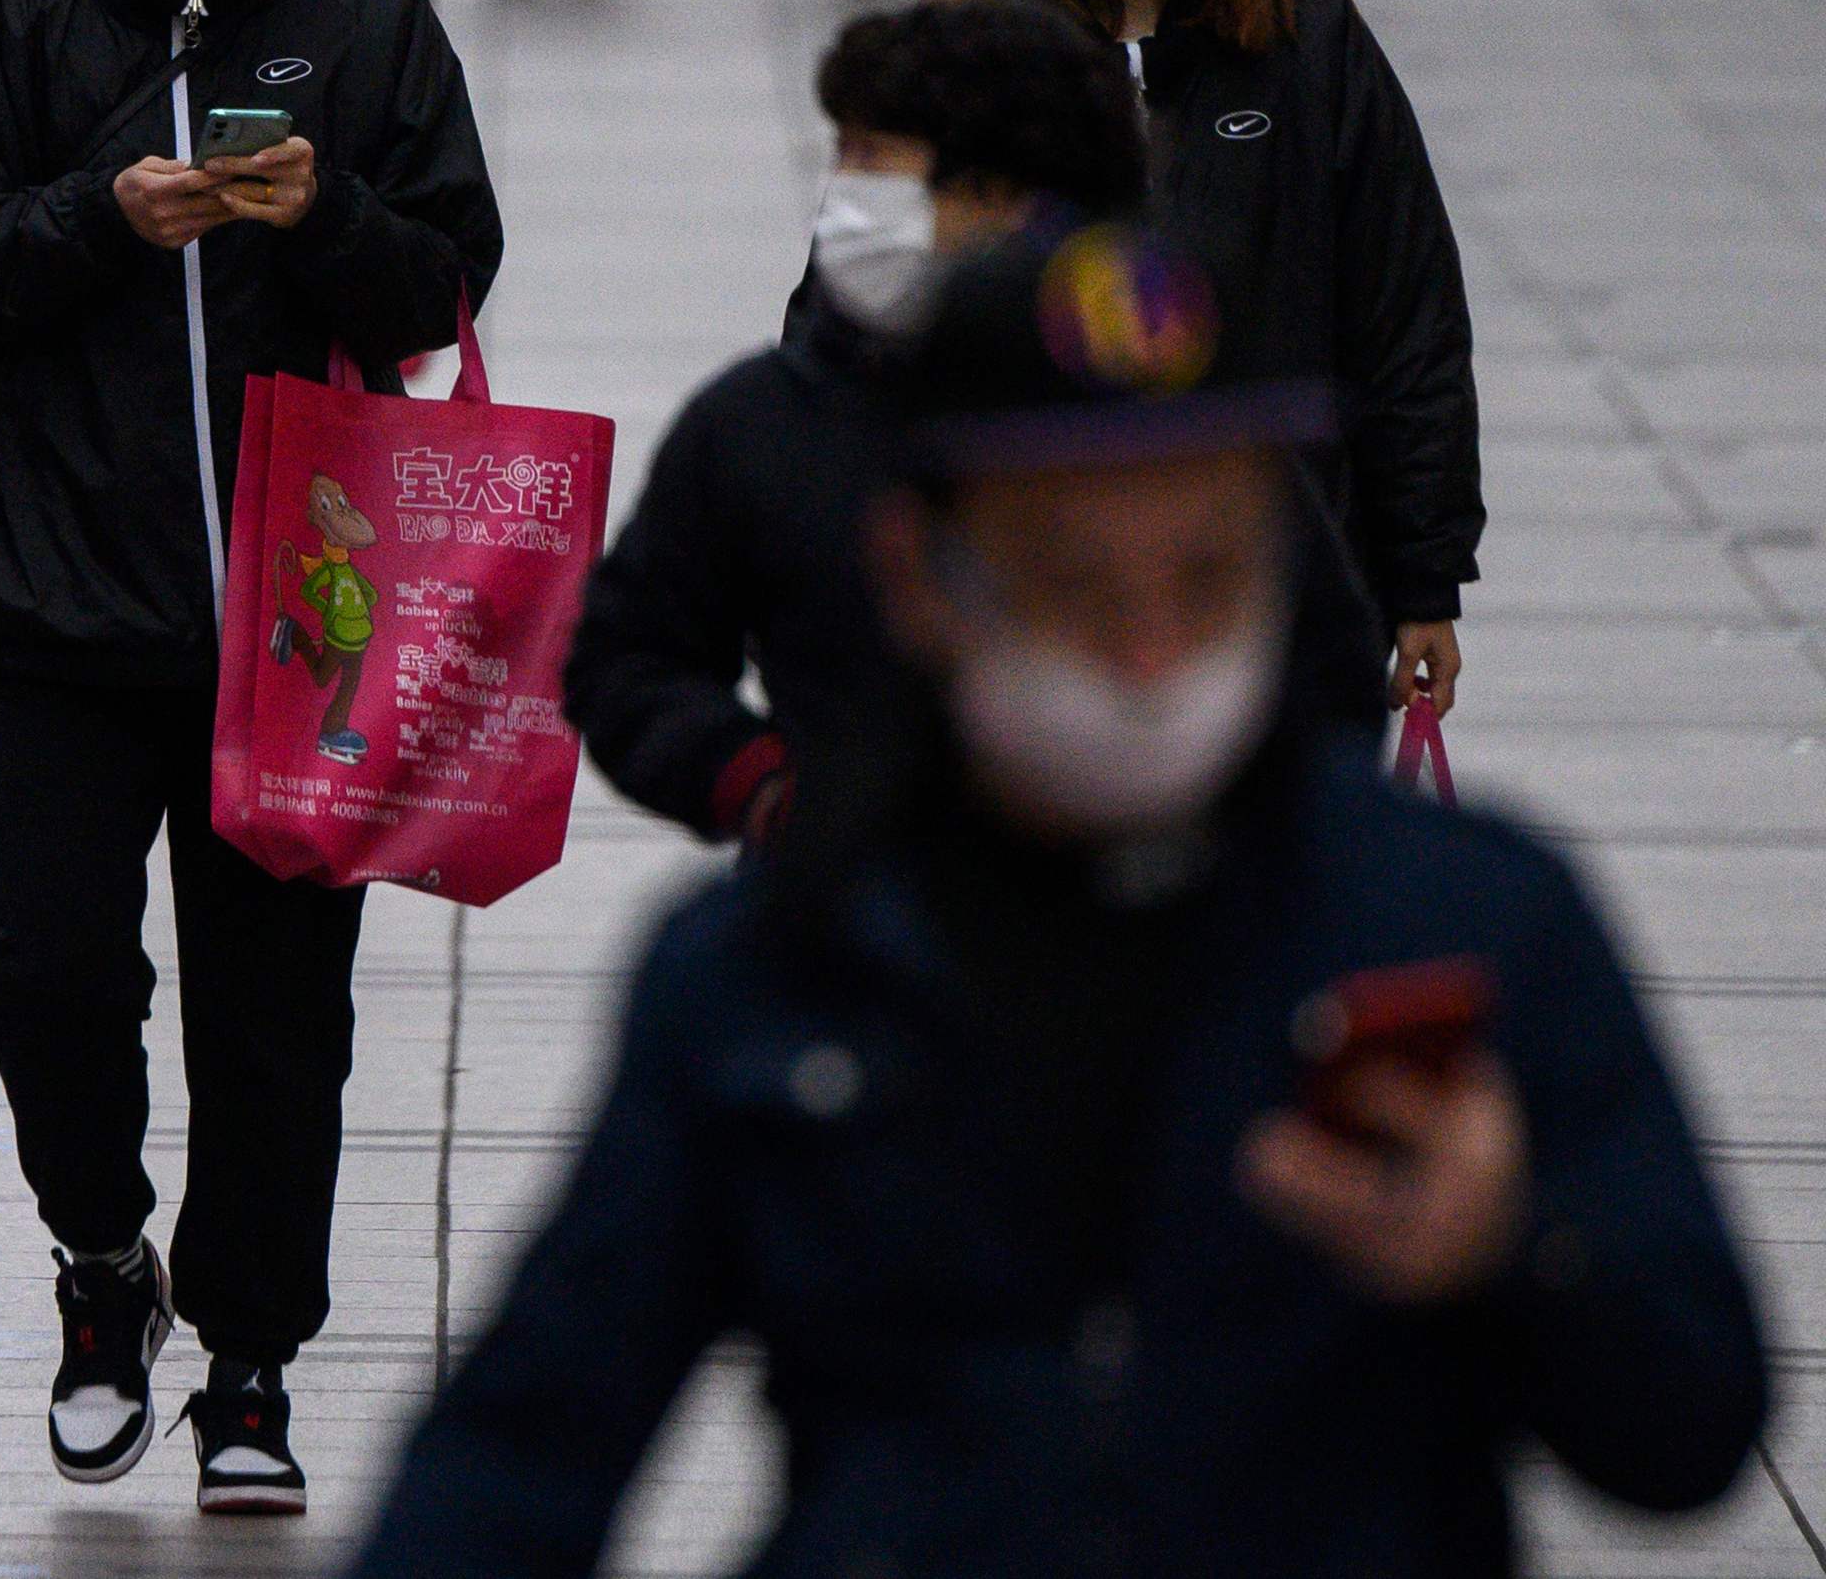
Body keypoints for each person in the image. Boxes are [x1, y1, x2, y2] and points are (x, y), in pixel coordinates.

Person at [351, 223, 1768, 1573]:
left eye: (1207, 577)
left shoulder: (1463, 920)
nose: (1152, 652)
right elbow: (524, 1447)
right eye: (1075, 585)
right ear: (919, 572)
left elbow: (1694, 1428)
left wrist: (1515, 1248)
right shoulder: (781, 961)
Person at [0, 0, 504, 1515]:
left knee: (277, 1006)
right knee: (47, 961)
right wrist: (97, 215)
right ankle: (98, 1256)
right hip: (54, 592)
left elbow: (445, 274)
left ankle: (250, 1356)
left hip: (304, 615)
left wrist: (324, 216)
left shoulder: (367, 14)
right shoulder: (19, 2)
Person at [569, 0, 1381, 848]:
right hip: (863, 894)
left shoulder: (1170, 437)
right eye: (842, 157)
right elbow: (629, 655)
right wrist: (762, 784)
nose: (843, 199)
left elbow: (1331, 675)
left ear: (1005, 198)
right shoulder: (765, 420)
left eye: (873, 161)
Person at [941, 0, 1479, 727]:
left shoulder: (1305, 37)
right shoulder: (962, 62)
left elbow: (1404, 316)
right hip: (1033, 593)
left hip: (1288, 583)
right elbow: (854, 325)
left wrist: (1425, 576)